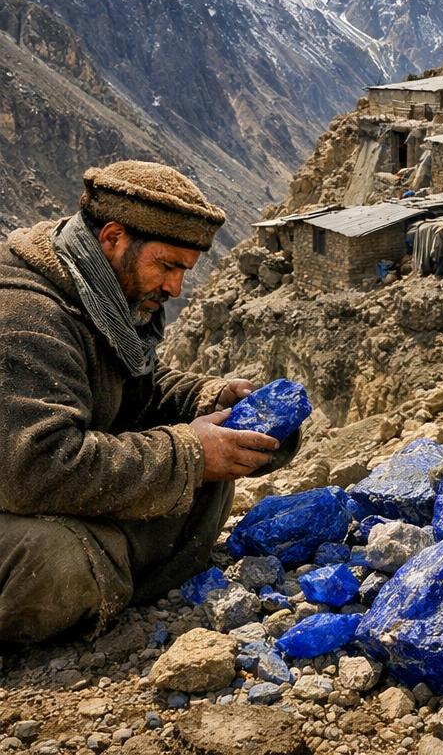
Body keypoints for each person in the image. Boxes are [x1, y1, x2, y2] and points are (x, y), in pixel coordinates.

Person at [0, 161, 295, 645]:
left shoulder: (98, 292)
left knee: (206, 471)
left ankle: (115, 562)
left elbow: (137, 384)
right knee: (57, 563)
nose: (175, 288)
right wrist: (188, 452)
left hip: (30, 485)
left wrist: (214, 399)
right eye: (168, 265)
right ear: (114, 238)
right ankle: (108, 565)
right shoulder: (24, 313)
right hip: (17, 487)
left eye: (185, 271)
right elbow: (32, 466)